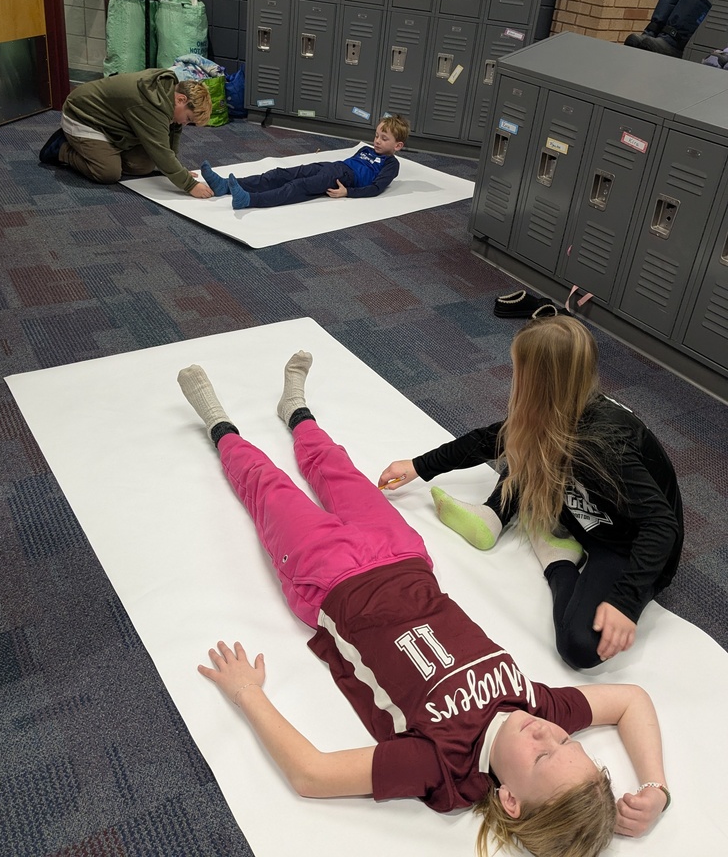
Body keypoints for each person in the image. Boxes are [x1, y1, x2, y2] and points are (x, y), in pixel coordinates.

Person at [176, 352, 670, 857]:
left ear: (511, 800)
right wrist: (655, 788)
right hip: (406, 558)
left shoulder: (444, 766)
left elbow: (311, 773)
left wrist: (247, 694)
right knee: (338, 470)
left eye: (543, 757)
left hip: (331, 582)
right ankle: (296, 410)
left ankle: (219, 424)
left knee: (268, 488)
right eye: (568, 743)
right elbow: (631, 700)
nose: (549, 735)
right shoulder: (539, 709)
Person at [379, 316, 684, 671]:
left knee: (580, 646)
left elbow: (662, 525)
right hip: (587, 508)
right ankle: (494, 515)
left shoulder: (606, 444)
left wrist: (624, 602)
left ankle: (557, 557)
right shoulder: (556, 412)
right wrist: (418, 465)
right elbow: (487, 441)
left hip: (622, 545)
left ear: (540, 381)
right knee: (525, 441)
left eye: (519, 370)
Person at [38, 68, 214, 198]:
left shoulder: (168, 94)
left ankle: (102, 151)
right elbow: (160, 149)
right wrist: (189, 185)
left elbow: (173, 132)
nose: (185, 123)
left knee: (144, 166)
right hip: (84, 116)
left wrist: (177, 168)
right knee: (108, 173)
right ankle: (61, 148)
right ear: (181, 99)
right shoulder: (151, 105)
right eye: (189, 118)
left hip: (114, 124)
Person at [200, 115, 409, 210]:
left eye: (384, 138)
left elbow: (376, 188)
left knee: (297, 187)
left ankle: (249, 199)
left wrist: (348, 192)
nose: (377, 141)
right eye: (376, 135)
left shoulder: (391, 164)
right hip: (333, 166)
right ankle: (224, 185)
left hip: (343, 178)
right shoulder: (366, 149)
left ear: (397, 146)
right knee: (282, 174)